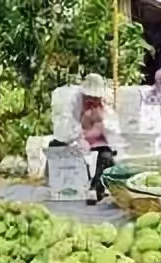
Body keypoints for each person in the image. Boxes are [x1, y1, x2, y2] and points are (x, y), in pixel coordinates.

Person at [51, 73, 121, 204]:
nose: (92, 99)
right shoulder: (73, 101)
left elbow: (113, 129)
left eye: (95, 97)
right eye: (89, 96)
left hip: (97, 138)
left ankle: (96, 188)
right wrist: (78, 137)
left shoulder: (104, 103)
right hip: (76, 137)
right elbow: (66, 128)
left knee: (106, 157)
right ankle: (66, 185)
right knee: (55, 147)